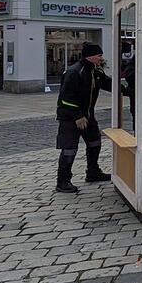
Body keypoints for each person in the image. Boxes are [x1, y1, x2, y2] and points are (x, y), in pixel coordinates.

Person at [55, 42, 112, 193]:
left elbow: (110, 84)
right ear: (91, 56)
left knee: (95, 143)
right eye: (99, 55)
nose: (101, 58)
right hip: (71, 118)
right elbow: (65, 98)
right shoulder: (74, 72)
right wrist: (77, 116)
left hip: (88, 116)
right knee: (69, 149)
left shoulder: (95, 72)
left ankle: (93, 172)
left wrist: (131, 91)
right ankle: (63, 181)